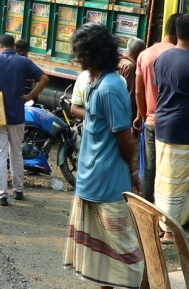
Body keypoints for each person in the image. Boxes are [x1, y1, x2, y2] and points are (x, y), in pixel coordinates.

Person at [63, 23, 143, 288]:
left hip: (108, 183)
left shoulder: (109, 86)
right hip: (92, 181)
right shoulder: (96, 83)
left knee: (124, 251)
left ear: (86, 54)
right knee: (102, 253)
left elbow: (125, 137)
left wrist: (132, 172)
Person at [0, 34, 50, 206]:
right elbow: (44, 79)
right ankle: (18, 190)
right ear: (13, 47)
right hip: (17, 114)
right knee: (16, 153)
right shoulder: (23, 61)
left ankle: (2, 195)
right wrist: (29, 96)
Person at [153, 14, 189, 243]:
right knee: (177, 180)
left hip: (162, 123)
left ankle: (170, 225)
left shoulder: (162, 58)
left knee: (166, 177)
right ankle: (169, 231)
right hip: (185, 126)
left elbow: (161, 90)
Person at [133, 14, 179, 201]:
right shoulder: (180, 55)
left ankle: (145, 205)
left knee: (149, 166)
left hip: (151, 119)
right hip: (173, 121)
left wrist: (143, 116)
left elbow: (138, 92)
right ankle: (165, 209)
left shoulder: (145, 54)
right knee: (168, 167)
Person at [119, 38, 145, 125]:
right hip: (126, 115)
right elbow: (131, 94)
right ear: (139, 50)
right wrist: (134, 117)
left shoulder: (120, 61)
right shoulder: (131, 67)